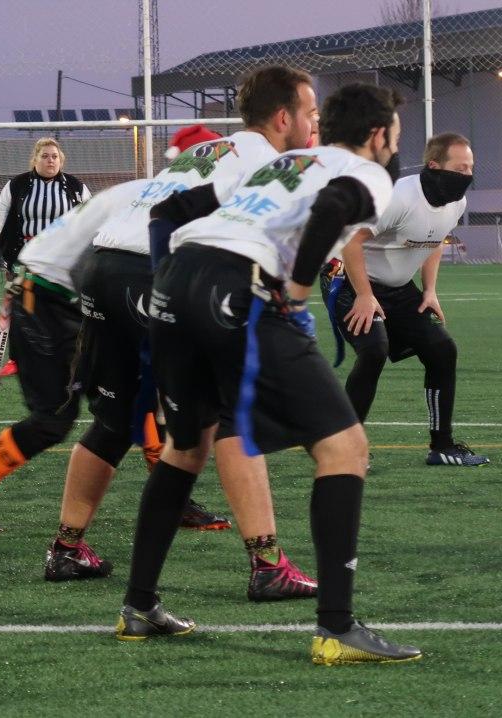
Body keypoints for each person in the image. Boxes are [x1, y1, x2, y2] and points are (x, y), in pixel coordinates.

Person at [115, 82, 422, 666]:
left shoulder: (282, 163)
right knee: (345, 448)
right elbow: (331, 209)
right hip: (242, 289)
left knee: (187, 448)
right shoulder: (367, 173)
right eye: (395, 136)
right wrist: (298, 294)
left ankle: (139, 605)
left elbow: (169, 210)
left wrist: (169, 283)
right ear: (378, 134)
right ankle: (337, 627)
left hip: (177, 281)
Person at [43, 66, 326, 605]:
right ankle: (268, 563)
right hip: (157, 274)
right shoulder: (274, 165)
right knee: (230, 416)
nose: (315, 123)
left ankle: (67, 548)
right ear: (282, 117)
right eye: (310, 113)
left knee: (114, 419)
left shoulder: (207, 150)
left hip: (103, 267)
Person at [0, 180, 228, 534]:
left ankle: (174, 498)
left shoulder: (153, 190)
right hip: (45, 299)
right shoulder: (180, 197)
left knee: (131, 396)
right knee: (54, 419)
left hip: (76, 296)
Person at [325, 132, 489, 467]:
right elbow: (350, 241)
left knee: (442, 350)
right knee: (374, 350)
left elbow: (436, 240)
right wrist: (364, 296)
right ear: (435, 166)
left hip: (397, 288)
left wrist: (429, 290)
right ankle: (345, 449)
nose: (468, 175)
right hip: (348, 280)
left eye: (471, 167)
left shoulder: (456, 202)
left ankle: (442, 446)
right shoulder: (398, 197)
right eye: (460, 168)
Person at [0, 138, 90, 377]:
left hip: (64, 262)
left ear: (61, 160)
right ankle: (16, 359)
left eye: (54, 156)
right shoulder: (17, 185)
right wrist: (6, 249)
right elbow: (0, 213)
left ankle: (73, 358)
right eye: (45, 156)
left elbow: (90, 216)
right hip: (27, 260)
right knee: (22, 311)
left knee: (67, 310)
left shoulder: (75, 186)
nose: (50, 161)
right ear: (35, 159)